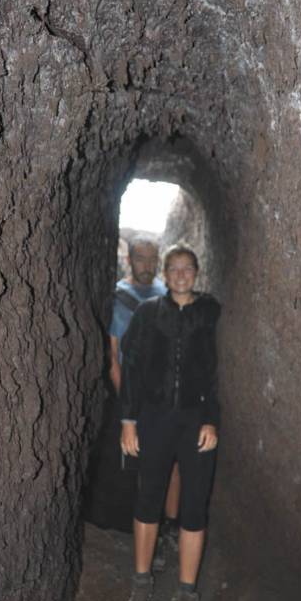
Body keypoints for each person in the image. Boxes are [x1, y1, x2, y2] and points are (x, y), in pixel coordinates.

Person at [120, 243, 220, 601]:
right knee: (148, 500)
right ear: (164, 274)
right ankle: (141, 582)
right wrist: (128, 421)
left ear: (196, 272)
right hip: (155, 419)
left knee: (195, 506)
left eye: (187, 268)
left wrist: (212, 418)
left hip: (196, 423)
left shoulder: (211, 314)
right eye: (173, 268)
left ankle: (185, 596)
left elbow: (218, 371)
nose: (180, 274)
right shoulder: (147, 314)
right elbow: (131, 368)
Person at [110, 237, 181, 558]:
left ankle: (169, 526)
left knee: (174, 461)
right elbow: (113, 356)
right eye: (141, 258)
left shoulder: (166, 295)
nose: (147, 266)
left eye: (153, 260)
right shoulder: (119, 297)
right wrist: (128, 401)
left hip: (164, 397)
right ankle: (143, 529)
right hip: (134, 395)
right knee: (141, 465)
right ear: (129, 258)